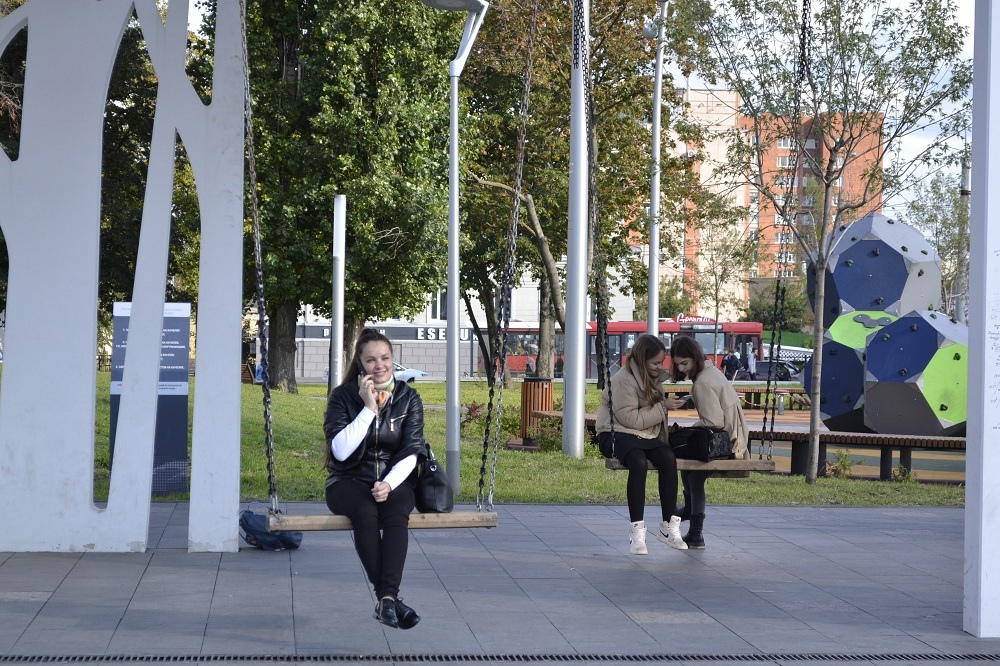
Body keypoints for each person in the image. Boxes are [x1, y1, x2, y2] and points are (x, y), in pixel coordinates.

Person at [324, 328, 426, 630]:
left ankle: (386, 599)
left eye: (385, 358)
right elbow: (340, 452)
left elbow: (411, 451)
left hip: (395, 479)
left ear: (393, 360)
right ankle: (390, 598)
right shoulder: (342, 397)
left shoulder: (408, 398)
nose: (379, 365)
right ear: (360, 362)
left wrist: (389, 484)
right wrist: (368, 408)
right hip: (348, 481)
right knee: (365, 511)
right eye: (371, 360)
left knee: (397, 510)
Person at [594, 334, 687, 555]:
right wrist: (663, 407)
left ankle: (668, 526)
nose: (659, 367)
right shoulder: (624, 380)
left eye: (661, 362)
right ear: (642, 360)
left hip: (642, 435)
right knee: (637, 461)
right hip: (614, 434)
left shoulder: (652, 377)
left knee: (667, 457)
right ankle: (637, 531)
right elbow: (630, 419)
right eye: (655, 363)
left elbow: (671, 374)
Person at [663, 336, 748, 549]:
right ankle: (691, 512)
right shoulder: (710, 372)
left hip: (725, 442)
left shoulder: (702, 381)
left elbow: (714, 421)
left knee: (694, 473)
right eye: (678, 364)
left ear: (695, 358)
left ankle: (695, 531)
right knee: (688, 467)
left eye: (685, 363)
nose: (682, 368)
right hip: (733, 437)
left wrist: (692, 428)